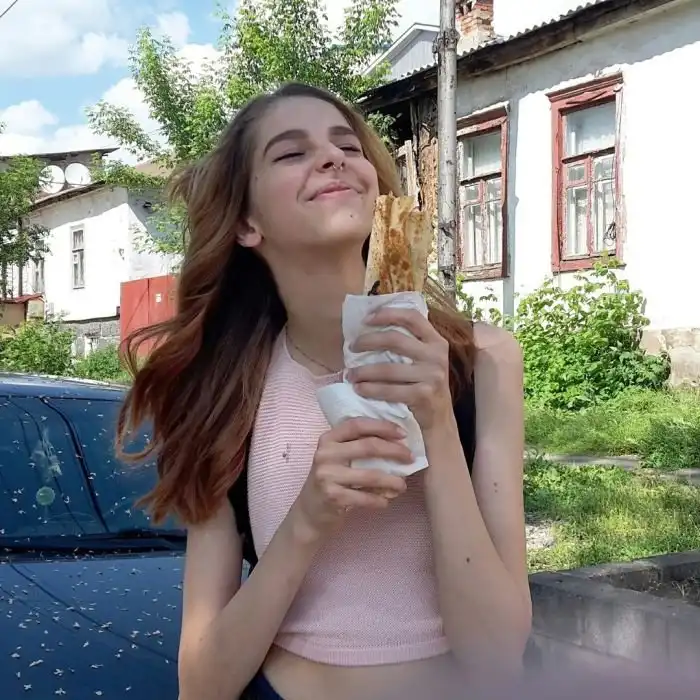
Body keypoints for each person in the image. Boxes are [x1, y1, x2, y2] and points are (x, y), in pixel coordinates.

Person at [117, 82, 532, 700]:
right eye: (292, 153)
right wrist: (308, 518)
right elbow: (201, 686)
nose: (334, 157)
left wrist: (437, 423)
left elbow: (498, 658)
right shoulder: (219, 396)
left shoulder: (484, 361)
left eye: (348, 146)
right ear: (246, 223)